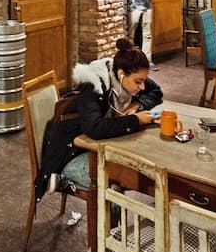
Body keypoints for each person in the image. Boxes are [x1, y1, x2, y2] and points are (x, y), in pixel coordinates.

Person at [35, 38, 162, 198]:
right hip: (69, 154)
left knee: (124, 172)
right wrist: (137, 120)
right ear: (121, 75)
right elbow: (94, 128)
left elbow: (156, 91)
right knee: (115, 183)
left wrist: (137, 105)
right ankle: (66, 180)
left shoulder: (125, 72)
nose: (142, 86)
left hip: (94, 148)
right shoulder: (93, 85)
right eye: (138, 82)